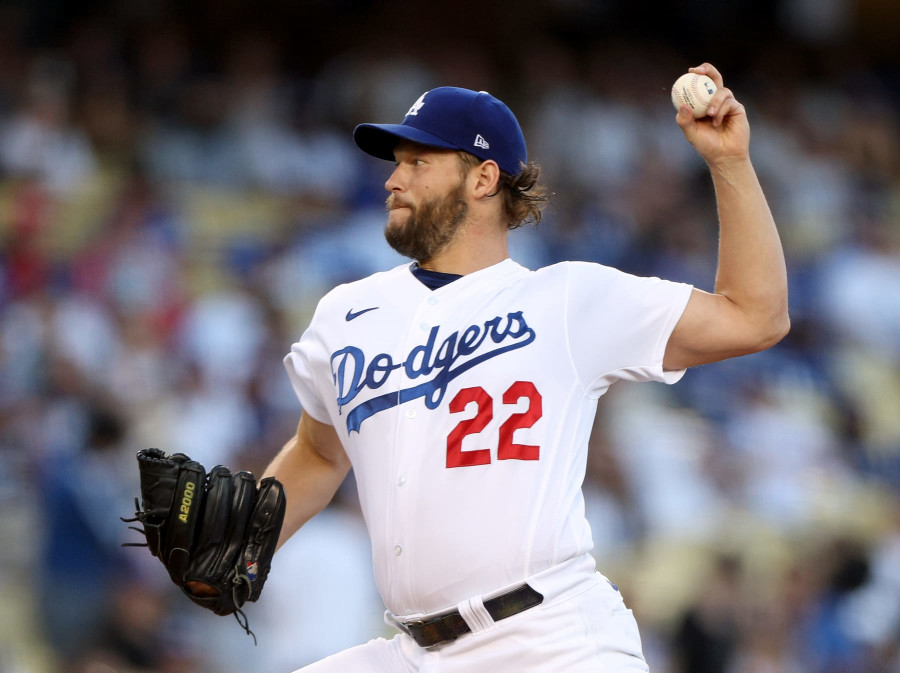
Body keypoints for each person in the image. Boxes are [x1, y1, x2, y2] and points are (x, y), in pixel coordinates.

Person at [264, 63, 789, 672]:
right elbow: (320, 453)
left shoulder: (566, 301)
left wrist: (729, 164)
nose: (393, 180)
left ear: (483, 177)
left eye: (417, 162)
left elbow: (757, 317)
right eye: (396, 162)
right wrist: (243, 545)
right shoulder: (347, 313)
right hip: (414, 652)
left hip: (550, 640)